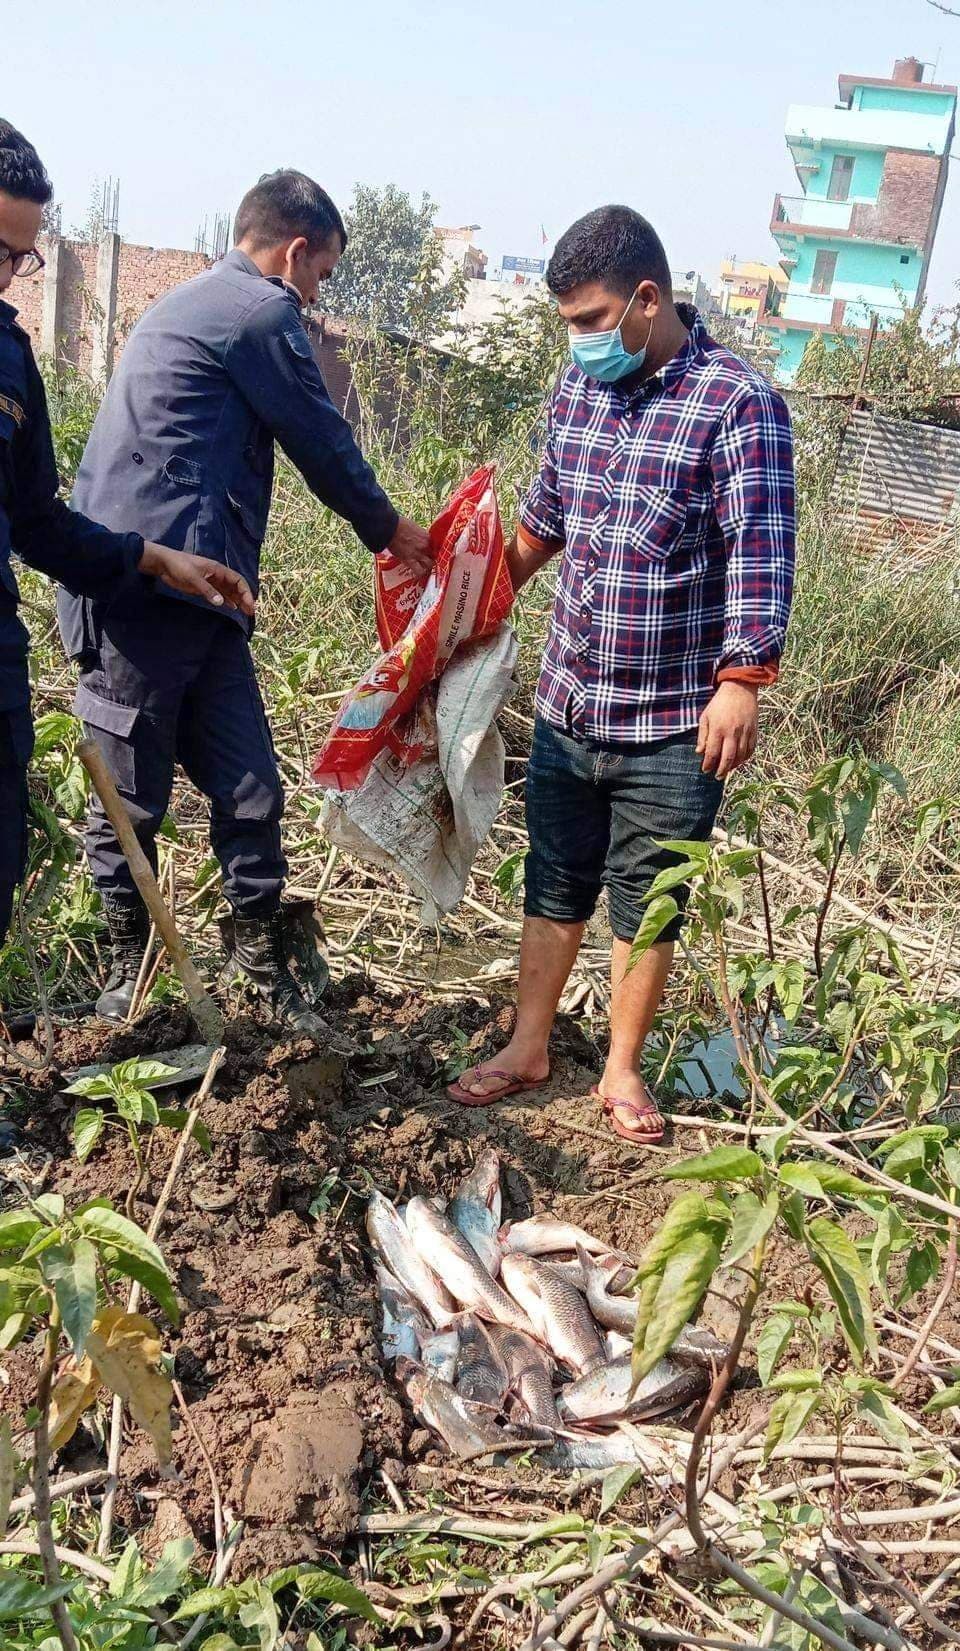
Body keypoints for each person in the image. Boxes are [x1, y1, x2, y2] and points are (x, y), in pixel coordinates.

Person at [447, 205, 795, 1145]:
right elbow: (543, 522)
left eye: (593, 319)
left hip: (675, 719)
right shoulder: (578, 392)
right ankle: (528, 1046)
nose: (580, 340)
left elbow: (760, 554)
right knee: (554, 878)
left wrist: (741, 682)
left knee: (650, 899)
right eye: (569, 322)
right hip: (571, 698)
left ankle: (622, 1067)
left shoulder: (738, 404)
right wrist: (467, 605)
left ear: (649, 300)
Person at [58, 170, 433, 1037]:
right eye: (322, 276)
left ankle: (260, 969)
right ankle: (128, 988)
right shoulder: (257, 310)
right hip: (143, 590)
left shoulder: (194, 307)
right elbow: (321, 437)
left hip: (206, 596)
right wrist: (393, 531)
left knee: (250, 784)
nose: (316, 299)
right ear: (296, 251)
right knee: (131, 796)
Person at [0, 120, 254, 961]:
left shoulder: (11, 364)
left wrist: (151, 558)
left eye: (16, 258)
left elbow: (37, 521)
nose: (4, 277)